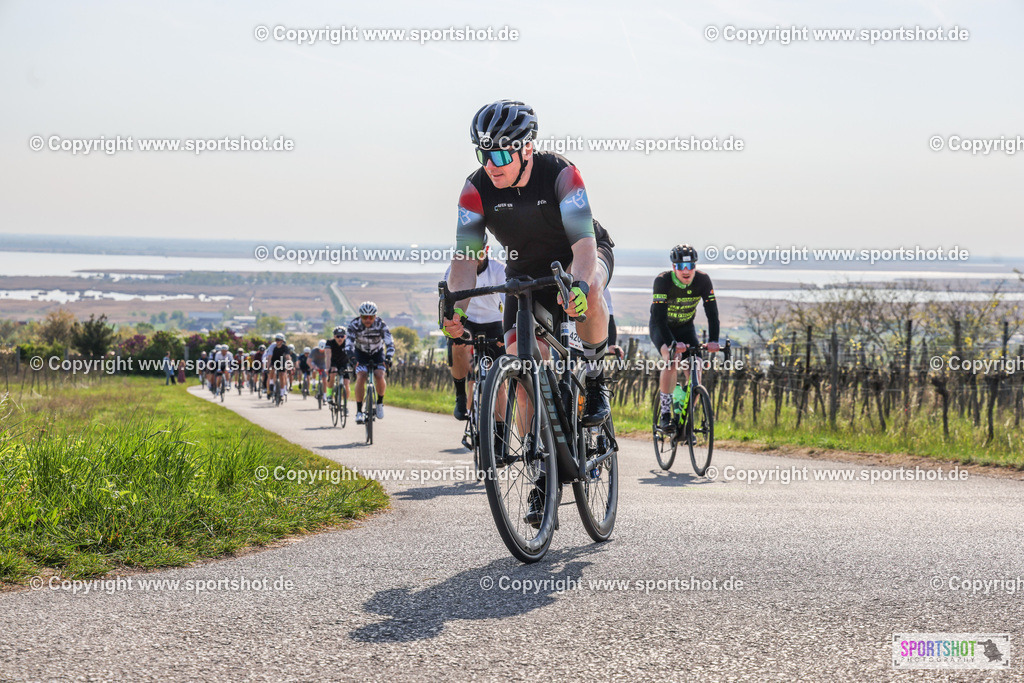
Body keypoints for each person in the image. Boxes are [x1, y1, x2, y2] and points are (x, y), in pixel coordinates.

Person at [440, 99, 616, 527]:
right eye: (484, 153)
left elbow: (584, 247)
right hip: (524, 273)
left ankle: (594, 379)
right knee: (521, 363)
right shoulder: (474, 189)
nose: (492, 163)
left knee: (588, 290)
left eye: (502, 152)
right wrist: (453, 308)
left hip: (580, 258)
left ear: (527, 148)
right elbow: (465, 264)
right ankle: (543, 476)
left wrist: (577, 284)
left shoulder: (561, 174)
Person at [649, 244, 721, 431]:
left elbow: (712, 312)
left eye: (691, 266)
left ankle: (686, 418)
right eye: (681, 267)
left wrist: (714, 340)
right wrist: (672, 343)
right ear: (674, 268)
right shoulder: (663, 281)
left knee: (696, 370)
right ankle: (665, 414)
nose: (686, 271)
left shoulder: (703, 281)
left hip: (686, 329)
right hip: (662, 328)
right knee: (672, 360)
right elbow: (659, 318)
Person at [444, 236, 505, 421]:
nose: (472, 258)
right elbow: (447, 307)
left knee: (500, 382)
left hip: (494, 322)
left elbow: (509, 303)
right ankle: (460, 396)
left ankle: (499, 436)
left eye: (476, 253)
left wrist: (509, 331)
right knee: (457, 344)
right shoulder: (453, 271)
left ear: (485, 251)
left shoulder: (499, 270)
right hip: (467, 321)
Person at [345, 302, 394, 424]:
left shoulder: (381, 325)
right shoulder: (354, 325)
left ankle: (379, 403)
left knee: (379, 374)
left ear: (375, 316)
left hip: (377, 352)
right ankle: (359, 411)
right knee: (361, 376)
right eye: (364, 317)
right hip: (360, 353)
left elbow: (389, 343)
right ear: (360, 316)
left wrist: (388, 357)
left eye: (371, 317)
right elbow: (348, 344)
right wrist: (352, 358)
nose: (368, 320)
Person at [324, 329, 350, 412]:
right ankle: (329, 394)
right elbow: (328, 356)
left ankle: (345, 405)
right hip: (333, 362)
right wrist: (328, 368)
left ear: (345, 337)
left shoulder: (348, 343)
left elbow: (353, 354)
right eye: (337, 336)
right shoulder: (330, 343)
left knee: (346, 384)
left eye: (342, 336)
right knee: (333, 372)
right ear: (334, 336)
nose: (340, 338)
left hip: (344, 363)